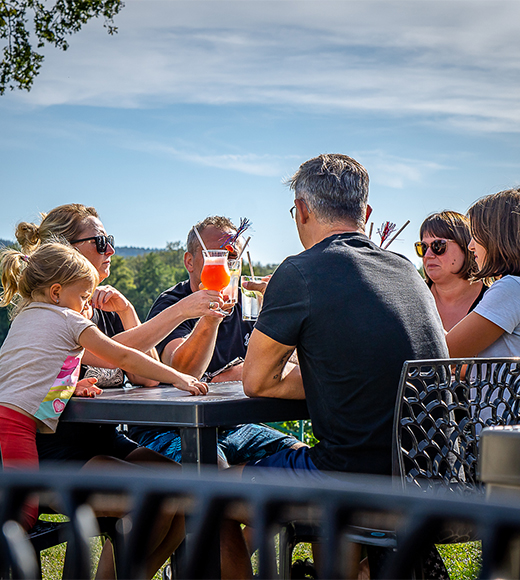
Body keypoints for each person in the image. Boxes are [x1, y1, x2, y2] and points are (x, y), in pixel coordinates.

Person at [0, 242, 207, 578]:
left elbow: (28, 370)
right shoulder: (68, 319)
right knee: (20, 516)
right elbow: (123, 357)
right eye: (84, 296)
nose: (88, 306)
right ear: (56, 292)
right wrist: (178, 377)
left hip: (12, 421)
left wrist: (68, 385)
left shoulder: (26, 317)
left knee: (181, 492)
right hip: (24, 433)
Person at [241, 153, 448, 479]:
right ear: (365, 214)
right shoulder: (405, 269)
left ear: (303, 211)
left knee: (214, 488)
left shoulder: (299, 271)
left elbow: (256, 381)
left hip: (354, 480)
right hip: (432, 476)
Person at [13, 204, 224, 465]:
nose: (110, 250)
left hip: (104, 440)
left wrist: (127, 311)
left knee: (183, 478)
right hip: (55, 449)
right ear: (65, 250)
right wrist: (180, 310)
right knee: (158, 492)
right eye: (100, 242)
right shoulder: (53, 315)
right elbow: (115, 356)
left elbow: (146, 379)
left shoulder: (106, 307)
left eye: (110, 241)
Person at [129, 216, 303, 465]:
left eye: (232, 256)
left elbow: (292, 366)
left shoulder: (250, 303)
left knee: (297, 455)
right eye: (216, 255)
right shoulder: (172, 305)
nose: (226, 263)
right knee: (211, 466)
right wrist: (211, 318)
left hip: (234, 426)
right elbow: (180, 370)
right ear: (189, 261)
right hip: (171, 427)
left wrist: (280, 315)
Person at [447, 188, 520, 357]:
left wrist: (419, 302)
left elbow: (446, 354)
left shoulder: (509, 288)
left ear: (497, 237)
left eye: (476, 235)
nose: (470, 245)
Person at [416, 211, 486, 331]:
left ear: (466, 246)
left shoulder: (493, 299)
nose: (427, 255)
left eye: (438, 246)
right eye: (422, 247)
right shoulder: (412, 295)